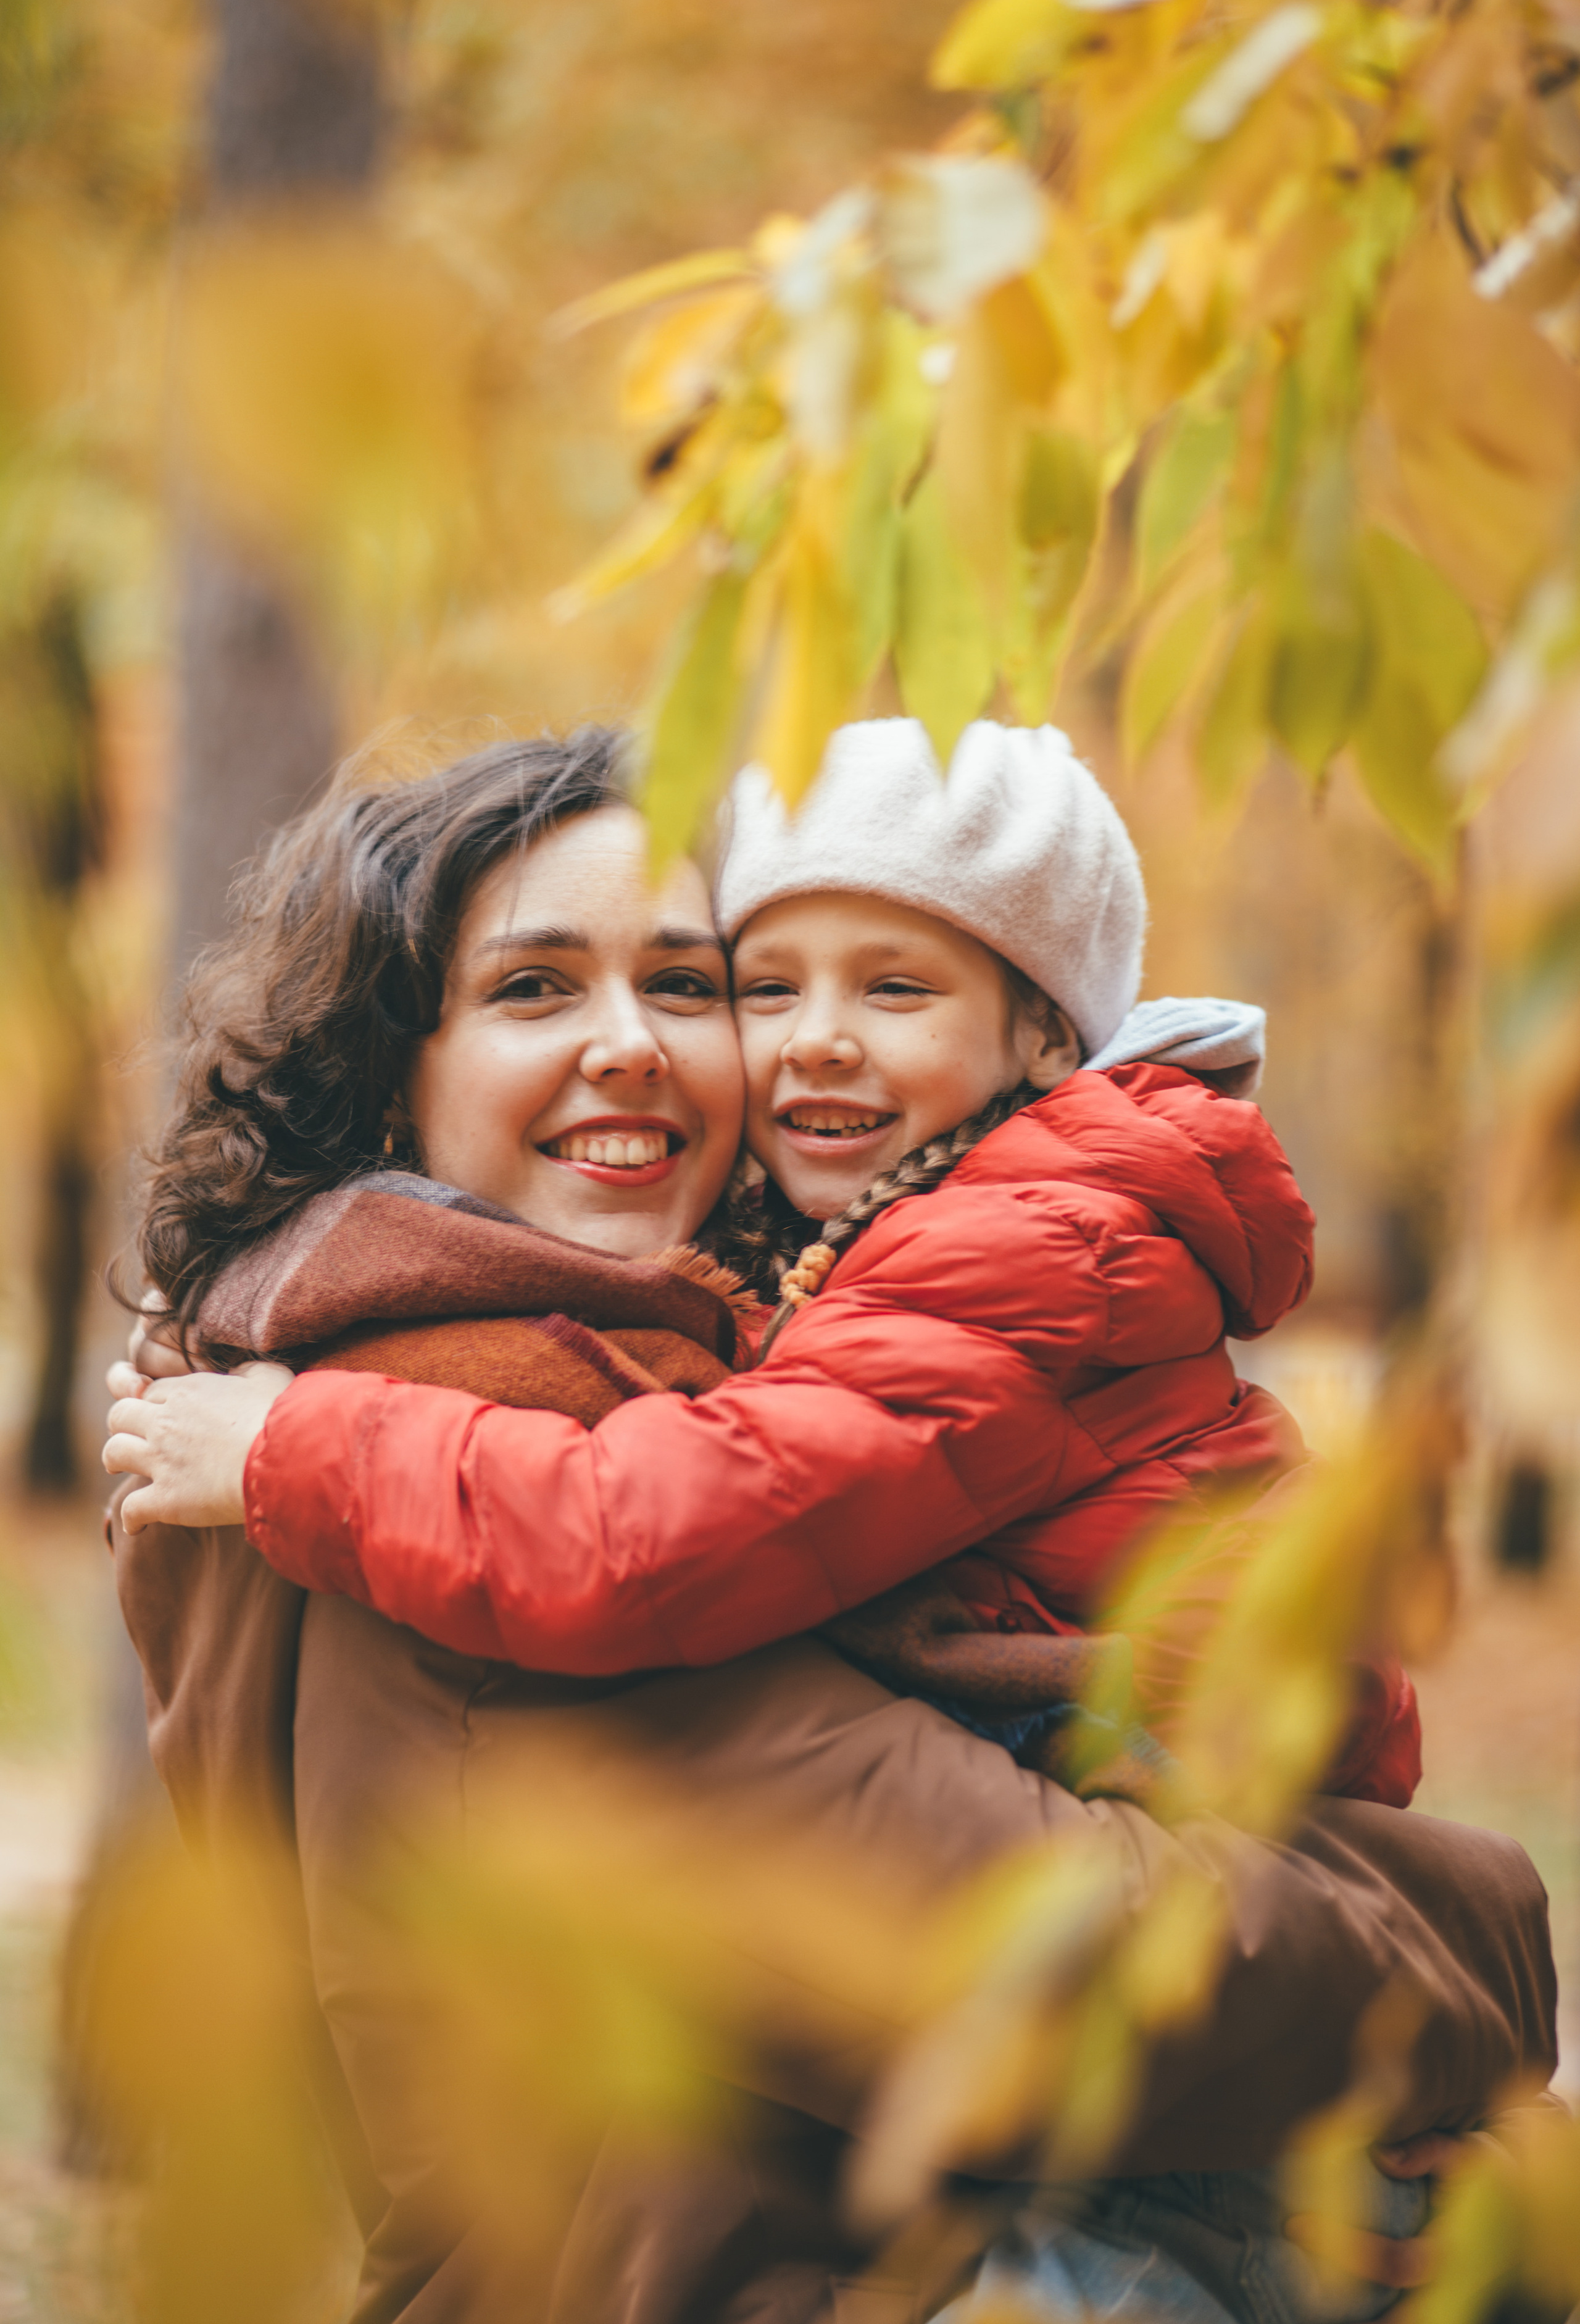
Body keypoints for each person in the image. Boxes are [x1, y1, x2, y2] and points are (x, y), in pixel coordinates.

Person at [106, 730, 1557, 2322]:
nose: (638, 1047)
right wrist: (1467, 1924)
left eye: (682, 981)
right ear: (391, 1083)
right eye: (535, 989)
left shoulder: (668, 1378)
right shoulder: (488, 1466)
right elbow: (1062, 1990)